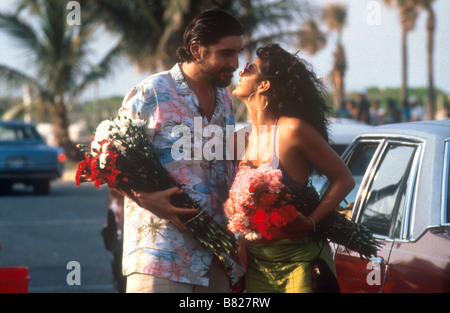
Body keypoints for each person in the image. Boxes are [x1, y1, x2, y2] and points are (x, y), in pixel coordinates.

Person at [116, 9, 245, 293]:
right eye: (226, 53)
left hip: (217, 259)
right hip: (162, 260)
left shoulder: (225, 99)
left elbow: (229, 169)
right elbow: (110, 160)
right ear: (196, 49)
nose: (235, 63)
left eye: (238, 53)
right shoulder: (152, 92)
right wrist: (143, 197)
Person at [231, 44, 355, 293]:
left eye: (248, 68)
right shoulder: (241, 139)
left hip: (301, 262)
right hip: (259, 266)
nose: (240, 72)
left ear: (264, 85)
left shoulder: (292, 130)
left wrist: (311, 221)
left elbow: (344, 179)